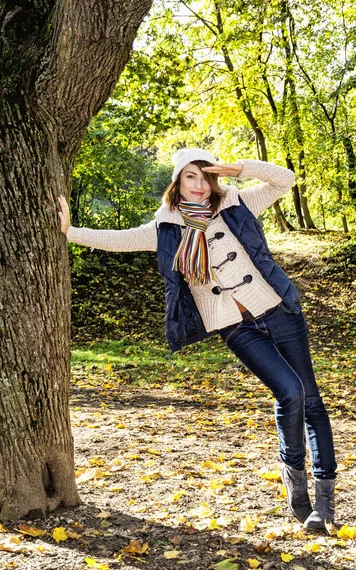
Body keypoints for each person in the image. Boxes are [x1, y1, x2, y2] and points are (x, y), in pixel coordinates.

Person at [59, 148, 337, 530]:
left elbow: (284, 179)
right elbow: (118, 239)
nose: (199, 184)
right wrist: (70, 232)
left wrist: (240, 169)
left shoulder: (238, 202)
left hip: (279, 311)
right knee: (290, 392)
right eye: (191, 176)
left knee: (311, 399)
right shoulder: (166, 229)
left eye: (206, 176)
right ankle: (297, 487)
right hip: (236, 327)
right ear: (177, 181)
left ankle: (324, 503)